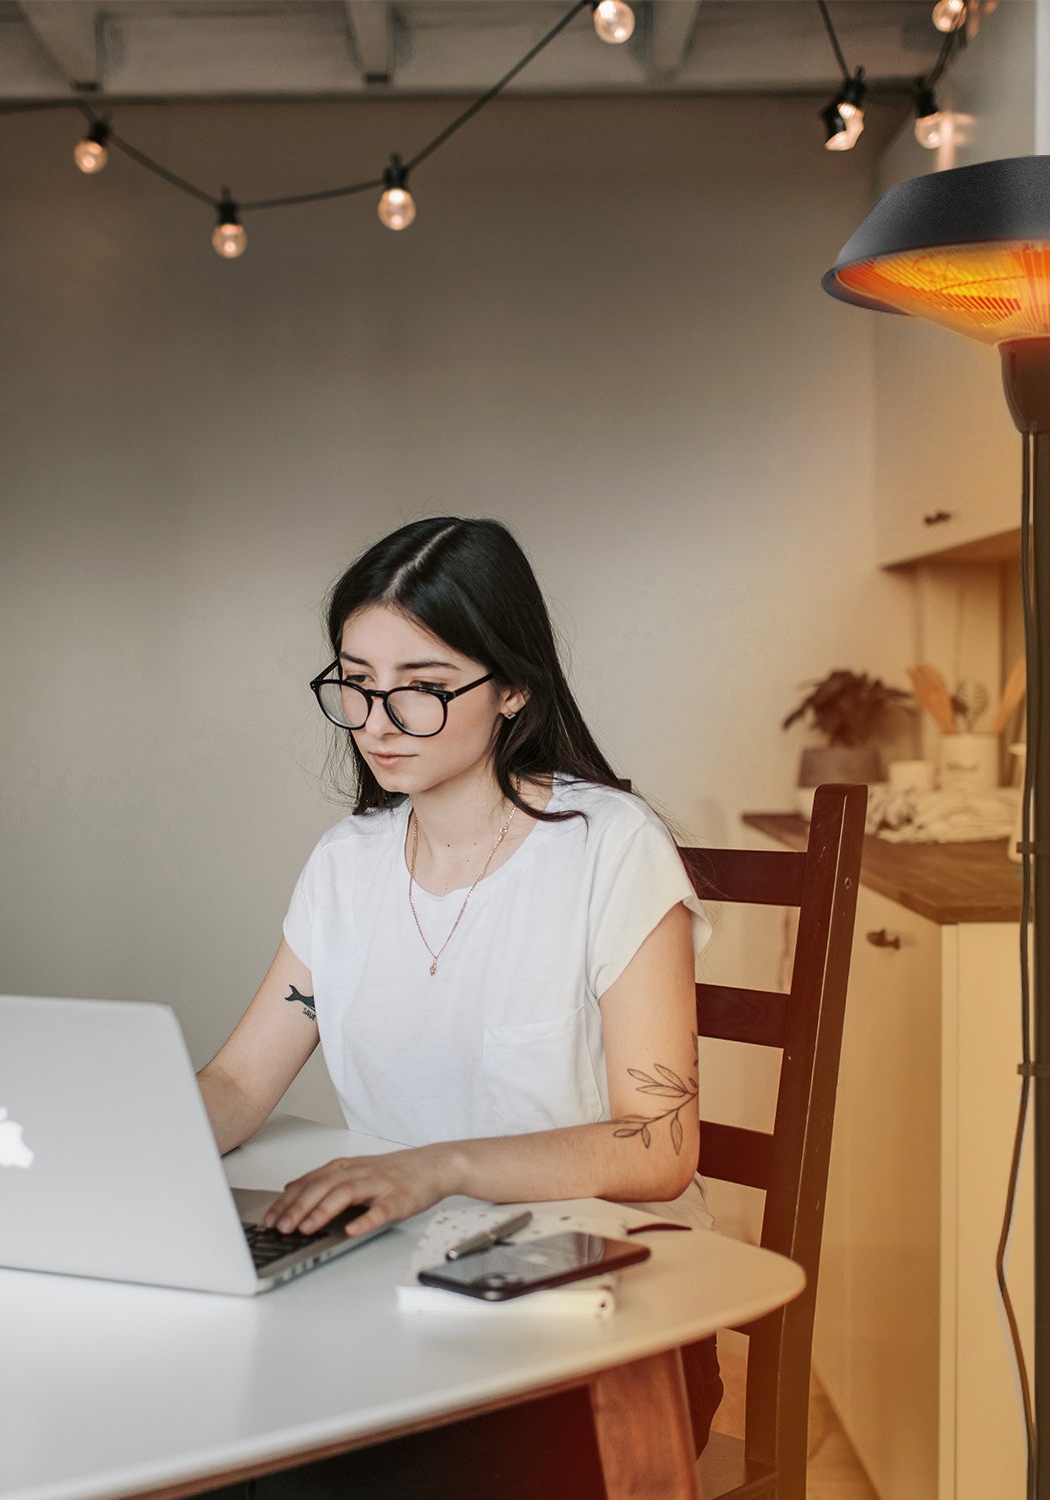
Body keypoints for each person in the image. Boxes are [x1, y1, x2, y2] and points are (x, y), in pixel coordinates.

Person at [196, 515, 721, 1499]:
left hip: (601, 1314)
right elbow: (235, 1081)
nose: (379, 720)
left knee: (295, 1477)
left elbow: (661, 1145)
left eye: (424, 690)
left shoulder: (611, 847)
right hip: (403, 1300)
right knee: (204, 1439)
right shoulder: (345, 867)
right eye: (355, 682)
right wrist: (109, 1145)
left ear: (513, 687)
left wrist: (434, 1168)